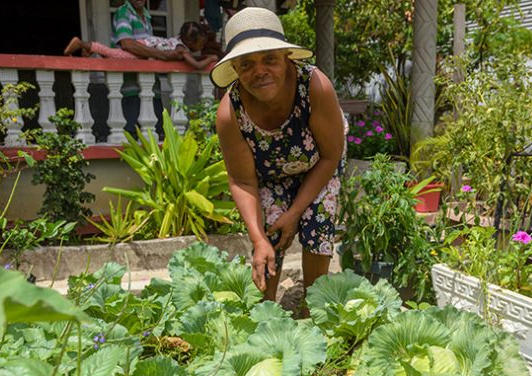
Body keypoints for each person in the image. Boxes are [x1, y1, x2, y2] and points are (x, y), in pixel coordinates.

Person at [211, 7, 347, 314]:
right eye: (247, 64)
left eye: (270, 59)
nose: (259, 71)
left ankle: (313, 307)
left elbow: (330, 156)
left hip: (319, 163)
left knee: (318, 225)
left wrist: (296, 211)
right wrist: (258, 239)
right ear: (235, 68)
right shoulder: (230, 113)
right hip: (269, 175)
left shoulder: (314, 86)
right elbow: (243, 180)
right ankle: (266, 313)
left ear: (286, 58)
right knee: (269, 233)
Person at [63, 21, 219, 69]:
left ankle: (89, 48)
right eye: (201, 44)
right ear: (190, 42)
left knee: (112, 55)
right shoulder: (181, 48)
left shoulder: (178, 42)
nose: (201, 48)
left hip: (144, 45)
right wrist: (211, 58)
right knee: (114, 54)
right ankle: (82, 43)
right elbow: (196, 66)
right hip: (141, 49)